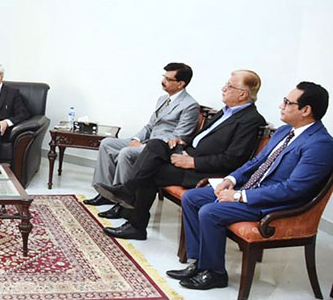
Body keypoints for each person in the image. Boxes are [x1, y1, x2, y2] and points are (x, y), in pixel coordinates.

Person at [165, 82, 333, 291]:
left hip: (277, 203)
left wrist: (238, 196)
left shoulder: (320, 144)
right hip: (252, 189)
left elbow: (293, 189)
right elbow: (256, 163)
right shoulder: (284, 132)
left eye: (287, 102)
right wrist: (231, 180)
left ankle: (215, 274)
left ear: (306, 110)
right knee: (192, 198)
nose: (281, 106)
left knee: (210, 211)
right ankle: (200, 263)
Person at [95, 70, 266, 240]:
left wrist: (193, 162)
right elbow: (203, 138)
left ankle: (135, 221)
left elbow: (234, 159)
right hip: (188, 153)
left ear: (242, 94)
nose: (223, 88)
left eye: (229, 86)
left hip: (203, 171)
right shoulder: (226, 111)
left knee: (151, 170)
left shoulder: (250, 120)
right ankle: (128, 193)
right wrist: (181, 141)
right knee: (155, 145)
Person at [85, 62, 200, 221]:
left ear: (181, 84)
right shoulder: (162, 99)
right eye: (163, 77)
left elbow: (180, 136)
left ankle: (122, 202)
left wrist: (145, 146)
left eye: (168, 79)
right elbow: (150, 125)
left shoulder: (190, 105)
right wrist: (136, 139)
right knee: (107, 143)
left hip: (162, 150)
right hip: (147, 141)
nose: (163, 81)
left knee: (127, 153)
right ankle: (106, 194)